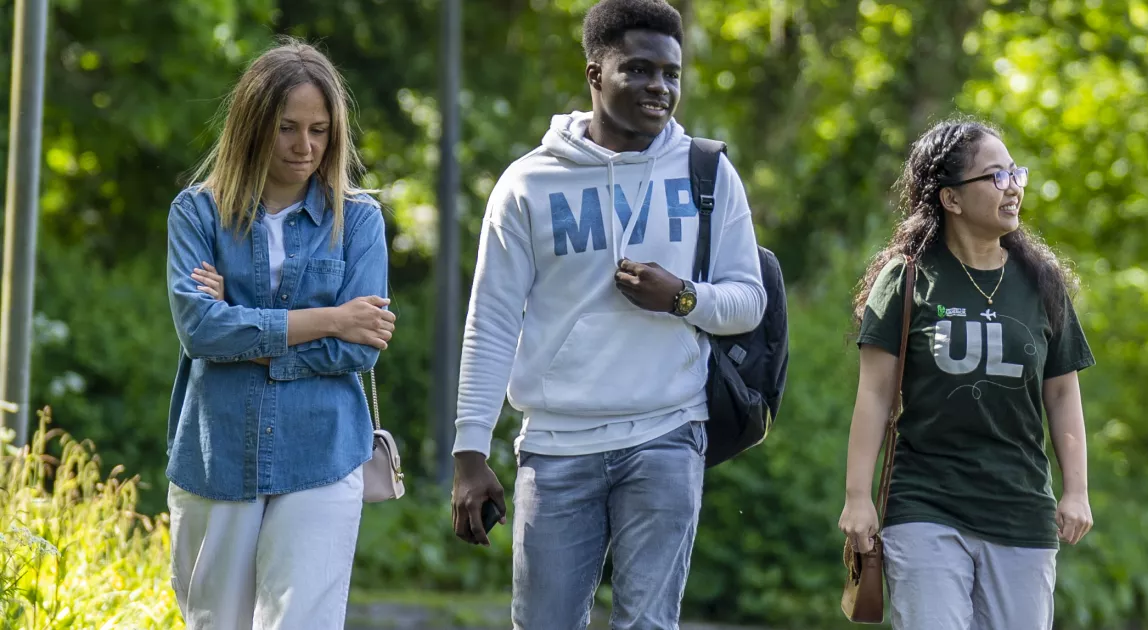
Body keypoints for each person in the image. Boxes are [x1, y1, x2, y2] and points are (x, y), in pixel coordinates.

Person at [447, 0, 766, 627]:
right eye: (640, 70)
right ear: (596, 74)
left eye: (672, 74)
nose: (660, 88)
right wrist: (469, 451)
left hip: (668, 431)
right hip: (558, 443)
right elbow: (491, 321)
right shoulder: (527, 185)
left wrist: (682, 296)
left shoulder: (709, 173)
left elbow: (748, 301)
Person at [164, 38, 394, 629]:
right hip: (219, 455)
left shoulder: (359, 218)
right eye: (287, 128)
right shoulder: (197, 214)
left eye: (319, 130)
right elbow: (199, 331)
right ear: (252, 126)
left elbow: (359, 348)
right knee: (217, 622)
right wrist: (329, 317)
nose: (305, 147)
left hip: (323, 450)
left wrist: (245, 331)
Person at [838, 118, 1096, 629]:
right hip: (925, 502)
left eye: (1015, 172)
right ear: (951, 199)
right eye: (995, 176)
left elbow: (1063, 392)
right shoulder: (908, 277)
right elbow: (873, 394)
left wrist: (1076, 489)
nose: (1014, 187)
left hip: (1019, 508)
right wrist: (857, 498)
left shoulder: (1040, 282)